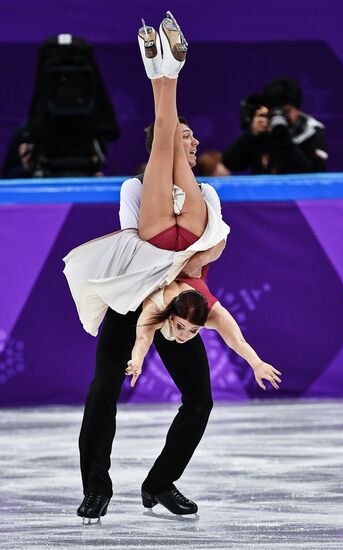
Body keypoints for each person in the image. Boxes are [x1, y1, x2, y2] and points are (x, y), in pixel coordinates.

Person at [66, 12, 279, 523]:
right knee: (103, 391)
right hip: (140, 299)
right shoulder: (135, 189)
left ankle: (160, 483)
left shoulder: (205, 191)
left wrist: (192, 268)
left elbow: (213, 246)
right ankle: (96, 486)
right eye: (180, 135)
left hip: (178, 301)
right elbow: (144, 248)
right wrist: (184, 265)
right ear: (163, 146)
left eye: (190, 136)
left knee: (200, 399)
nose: (191, 140)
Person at [222, 79, 328, 174]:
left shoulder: (311, 131)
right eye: (275, 111)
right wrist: (251, 133)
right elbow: (230, 164)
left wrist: (283, 138)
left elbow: (315, 174)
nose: (280, 116)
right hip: (263, 194)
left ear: (298, 109)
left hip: (298, 195)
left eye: (286, 111)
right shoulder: (262, 130)